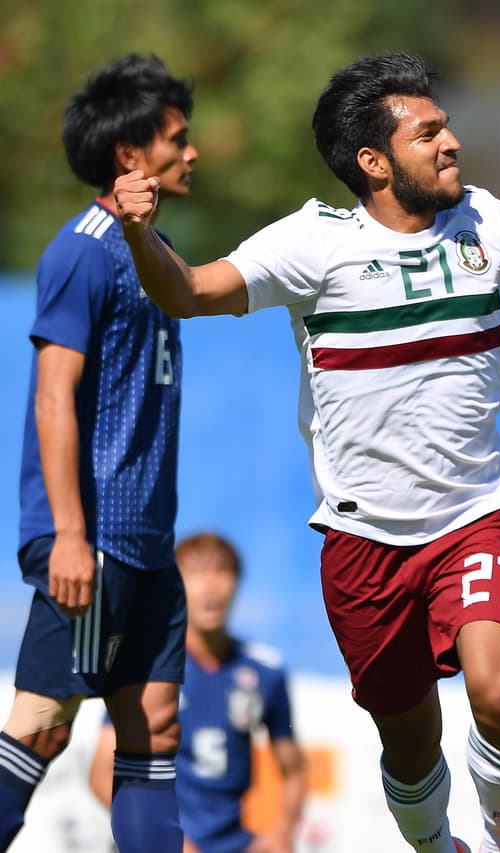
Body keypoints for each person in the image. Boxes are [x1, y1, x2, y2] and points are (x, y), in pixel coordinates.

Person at [113, 51, 500, 853]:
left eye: (446, 126)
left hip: (475, 516)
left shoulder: (484, 221)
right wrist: (137, 232)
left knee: (499, 692)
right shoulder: (312, 245)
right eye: (428, 131)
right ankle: (440, 847)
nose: (451, 143)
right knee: (408, 745)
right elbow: (188, 291)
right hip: (363, 543)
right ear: (373, 161)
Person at [0, 54, 199, 853]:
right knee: (42, 726)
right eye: (178, 138)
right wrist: (71, 535)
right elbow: (54, 394)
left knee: (153, 726)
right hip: (96, 540)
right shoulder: (82, 250)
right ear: (129, 153)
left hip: (147, 544)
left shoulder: (151, 249)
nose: (192, 153)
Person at [89, 532, 307, 853]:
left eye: (223, 572)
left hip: (235, 842)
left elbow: (295, 770)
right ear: (175, 584)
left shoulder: (265, 671)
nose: (211, 586)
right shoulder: (145, 667)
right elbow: (101, 775)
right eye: (197, 573)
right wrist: (161, 836)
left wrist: (282, 832)